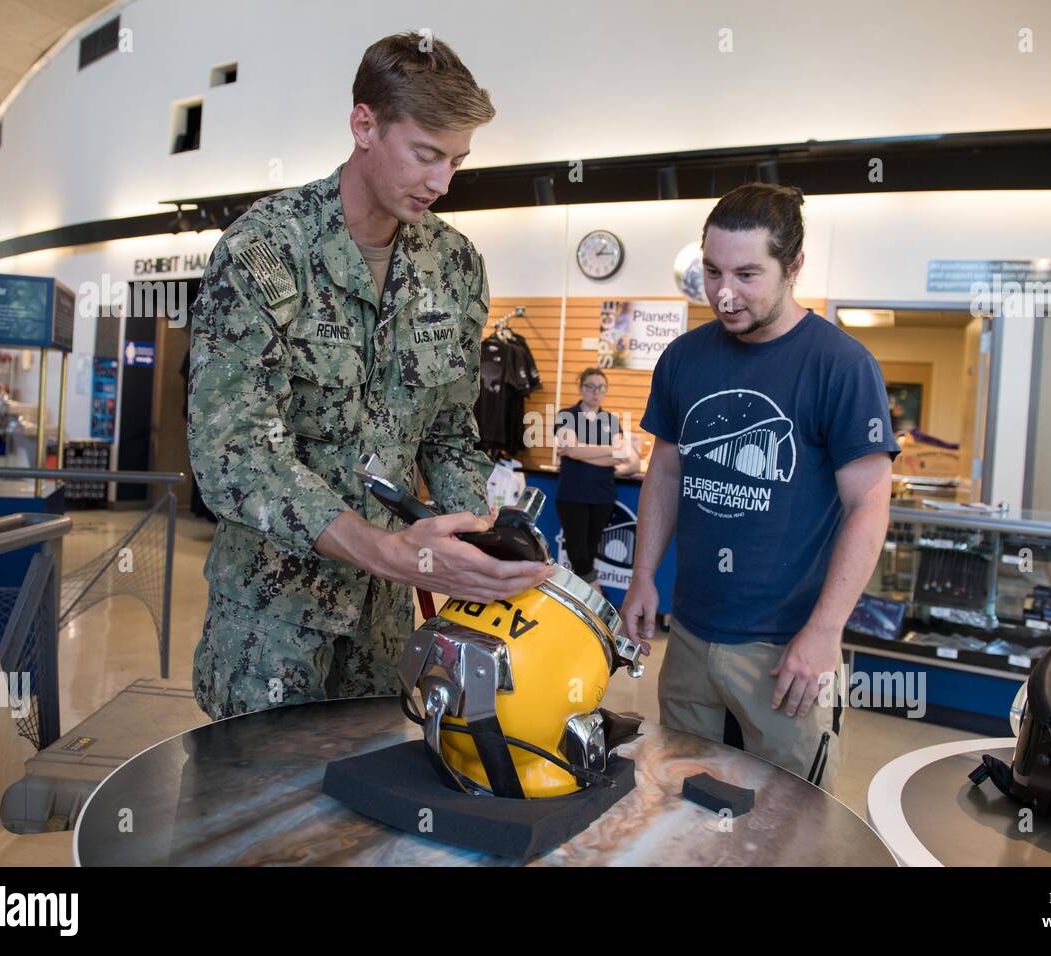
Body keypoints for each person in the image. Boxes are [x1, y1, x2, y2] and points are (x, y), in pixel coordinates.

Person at [187, 32, 550, 720]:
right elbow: (233, 456)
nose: (443, 182)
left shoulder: (456, 265)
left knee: (371, 817)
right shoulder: (266, 251)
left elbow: (447, 433)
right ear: (364, 125)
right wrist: (389, 551)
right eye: (427, 154)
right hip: (270, 622)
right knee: (255, 818)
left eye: (458, 160)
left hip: (386, 635)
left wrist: (481, 541)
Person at [621, 183, 898, 791]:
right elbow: (666, 470)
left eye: (747, 274)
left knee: (788, 822)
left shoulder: (841, 366)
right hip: (690, 636)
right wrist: (643, 574)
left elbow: (869, 504)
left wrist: (824, 632)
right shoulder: (684, 359)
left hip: (786, 650)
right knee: (680, 801)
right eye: (713, 271)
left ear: (793, 267)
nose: (724, 293)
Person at [554, 368, 640, 585]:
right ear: (581, 388)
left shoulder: (611, 420)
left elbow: (622, 456)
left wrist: (581, 451)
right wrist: (608, 451)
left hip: (602, 496)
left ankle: (582, 605)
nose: (595, 391)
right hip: (573, 495)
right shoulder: (567, 416)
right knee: (578, 554)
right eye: (590, 386)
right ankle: (596, 596)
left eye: (601, 387)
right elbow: (572, 451)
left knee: (589, 553)